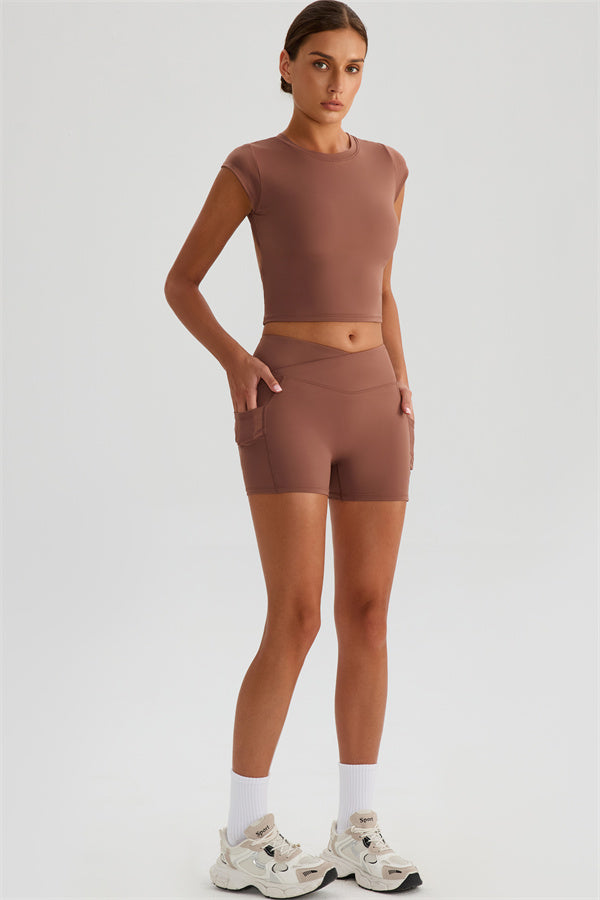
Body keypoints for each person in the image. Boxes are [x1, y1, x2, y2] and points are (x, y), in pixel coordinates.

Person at [164, 1, 422, 895]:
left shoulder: (390, 167)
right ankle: (244, 838)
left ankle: (356, 829)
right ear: (285, 65)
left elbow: (382, 290)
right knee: (297, 616)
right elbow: (182, 281)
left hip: (376, 402)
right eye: (319, 63)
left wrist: (403, 384)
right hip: (291, 398)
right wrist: (235, 359)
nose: (337, 83)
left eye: (352, 67)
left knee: (370, 614)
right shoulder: (254, 166)